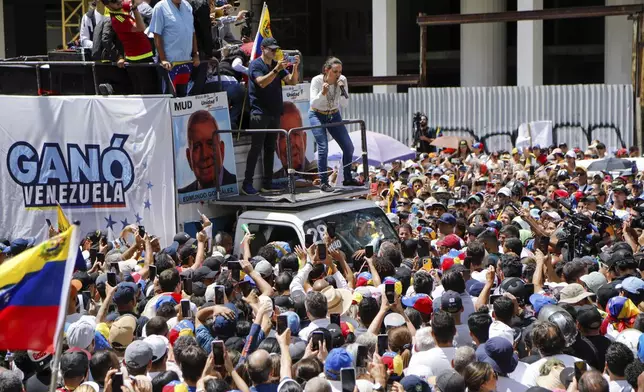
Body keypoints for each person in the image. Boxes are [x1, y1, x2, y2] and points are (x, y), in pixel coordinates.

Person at [242, 37, 300, 195]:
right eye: (272, 49)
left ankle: (267, 183)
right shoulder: (256, 64)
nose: (274, 52)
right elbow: (261, 82)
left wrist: (295, 67)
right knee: (256, 148)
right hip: (260, 113)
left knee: (269, 148)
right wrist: (276, 70)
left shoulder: (276, 65)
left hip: (274, 112)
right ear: (263, 49)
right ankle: (247, 183)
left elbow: (292, 82)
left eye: (276, 50)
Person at [309, 57, 361, 192]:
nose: (338, 74)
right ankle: (324, 182)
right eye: (335, 71)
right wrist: (323, 93)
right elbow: (313, 104)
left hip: (334, 114)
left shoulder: (342, 80)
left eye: (340, 71)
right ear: (327, 70)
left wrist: (342, 89)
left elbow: (344, 104)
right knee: (323, 147)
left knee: (348, 147)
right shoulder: (317, 80)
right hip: (317, 114)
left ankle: (348, 178)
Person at [149, 0, 204, 96]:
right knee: (169, 100)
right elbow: (157, 35)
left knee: (183, 100)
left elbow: (192, 32)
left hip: (186, 63)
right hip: (169, 65)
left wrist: (195, 54)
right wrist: (163, 59)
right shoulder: (160, 7)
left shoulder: (187, 6)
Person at [101, 0, 157, 94]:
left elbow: (132, 2)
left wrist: (132, 3)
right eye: (113, 1)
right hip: (138, 59)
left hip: (143, 56)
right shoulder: (118, 18)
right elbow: (141, 27)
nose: (118, 1)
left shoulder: (121, 8)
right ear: (108, 5)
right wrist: (135, 9)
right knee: (148, 91)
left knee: (149, 90)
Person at [178, 110, 236, 193]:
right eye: (197, 146)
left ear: (222, 150)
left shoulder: (234, 185)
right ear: (188, 157)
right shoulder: (181, 194)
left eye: (210, 144)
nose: (204, 155)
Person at [274, 102, 316, 180]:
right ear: (276, 147)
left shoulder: (317, 172)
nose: (291, 144)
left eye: (295, 134)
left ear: (304, 139)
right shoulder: (274, 179)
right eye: (283, 136)